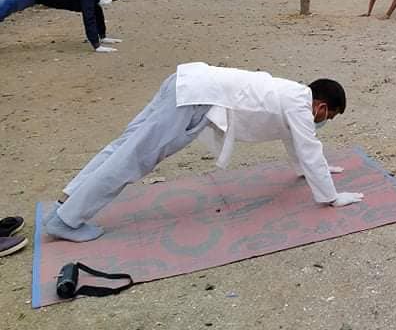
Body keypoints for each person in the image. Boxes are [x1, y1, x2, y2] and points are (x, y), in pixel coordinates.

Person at [42, 63, 363, 242]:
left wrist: (309, 171)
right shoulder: (299, 105)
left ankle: (67, 202)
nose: (325, 122)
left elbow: (297, 144)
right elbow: (309, 147)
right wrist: (331, 197)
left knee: (123, 147)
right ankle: (68, 220)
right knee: (133, 158)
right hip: (195, 98)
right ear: (321, 106)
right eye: (330, 116)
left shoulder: (292, 93)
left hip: (186, 82)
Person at [0, 0, 124, 52]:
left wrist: (102, 36)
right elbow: (89, 16)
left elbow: (97, 12)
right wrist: (96, 45)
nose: (110, 1)